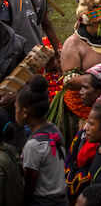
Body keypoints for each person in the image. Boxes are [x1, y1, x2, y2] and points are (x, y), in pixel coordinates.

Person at [16, 77, 65, 206]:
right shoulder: (54, 130)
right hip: (61, 198)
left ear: (25, 113)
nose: (15, 111)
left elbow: (30, 184)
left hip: (42, 201)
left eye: (16, 108)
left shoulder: (34, 145)